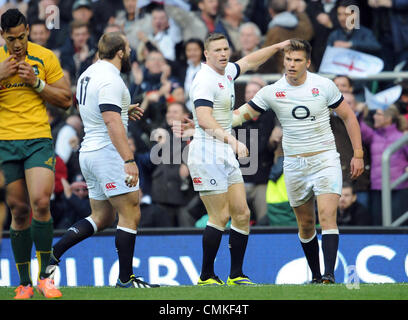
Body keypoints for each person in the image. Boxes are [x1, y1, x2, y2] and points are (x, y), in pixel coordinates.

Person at [228, 39, 364, 283]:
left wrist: (358, 153)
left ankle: (329, 276)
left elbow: (349, 117)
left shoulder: (324, 86)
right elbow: (240, 115)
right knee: (306, 223)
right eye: (288, 59)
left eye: (297, 60)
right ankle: (315, 276)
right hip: (293, 164)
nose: (291, 64)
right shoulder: (271, 91)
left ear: (308, 63)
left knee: (326, 216)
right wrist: (205, 122)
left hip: (324, 160)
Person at [45, 31, 159, 289]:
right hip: (108, 153)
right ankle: (126, 279)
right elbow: (110, 120)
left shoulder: (89, 73)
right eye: (128, 49)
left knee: (102, 216)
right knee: (130, 211)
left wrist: (123, 109)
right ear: (120, 52)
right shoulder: (111, 79)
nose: (129, 53)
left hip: (89, 152)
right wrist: (128, 159)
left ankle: (54, 254)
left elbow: (93, 108)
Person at [187, 32, 290, 286]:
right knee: (219, 217)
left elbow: (250, 61)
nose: (223, 54)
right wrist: (232, 140)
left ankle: (236, 275)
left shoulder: (226, 73)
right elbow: (203, 119)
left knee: (242, 214)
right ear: (206, 54)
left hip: (223, 153)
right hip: (206, 153)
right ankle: (206, 276)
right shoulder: (204, 80)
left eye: (225, 49)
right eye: (217, 50)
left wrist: (276, 46)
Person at [0, 8, 72, 299]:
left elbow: (66, 100)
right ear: (2, 35)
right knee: (18, 210)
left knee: (41, 202)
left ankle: (46, 278)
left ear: (28, 30)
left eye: (21, 37)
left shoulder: (45, 57)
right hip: (5, 142)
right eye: (10, 39)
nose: (17, 45)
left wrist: (37, 83)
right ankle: (24, 282)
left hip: (38, 138)